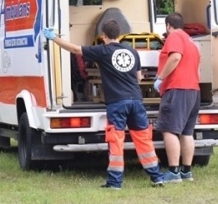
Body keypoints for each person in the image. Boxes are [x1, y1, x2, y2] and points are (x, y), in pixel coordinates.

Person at [43, 20, 164, 189]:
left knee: (116, 141)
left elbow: (76, 50)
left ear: (103, 36)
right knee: (144, 139)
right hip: (136, 101)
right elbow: (139, 78)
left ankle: (115, 182)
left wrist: (54, 38)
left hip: (117, 102)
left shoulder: (103, 51)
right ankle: (156, 177)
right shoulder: (131, 51)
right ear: (120, 34)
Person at [153, 12, 201, 184]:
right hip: (193, 89)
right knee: (187, 132)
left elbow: (175, 57)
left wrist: (160, 78)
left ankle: (173, 172)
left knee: (169, 130)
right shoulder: (190, 41)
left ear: (168, 26)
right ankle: (186, 171)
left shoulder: (174, 36)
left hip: (177, 88)